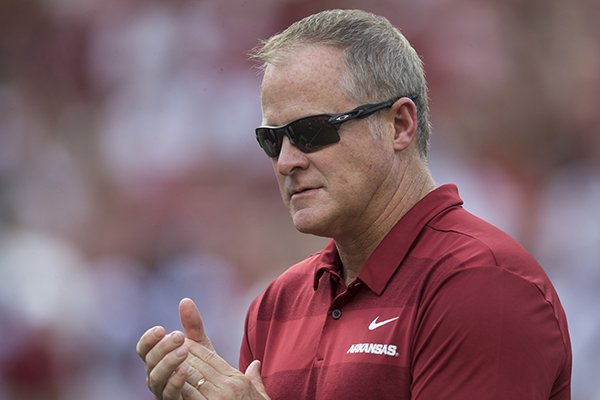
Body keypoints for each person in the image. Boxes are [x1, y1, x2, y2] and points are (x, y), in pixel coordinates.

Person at [136, 9, 572, 400]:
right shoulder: (275, 305)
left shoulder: (483, 284)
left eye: (311, 131)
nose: (287, 161)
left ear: (400, 124)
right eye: (272, 139)